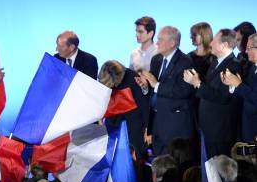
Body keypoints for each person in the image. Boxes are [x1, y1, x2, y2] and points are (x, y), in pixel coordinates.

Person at [136, 26, 195, 155]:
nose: (156, 43)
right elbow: (153, 89)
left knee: (172, 168)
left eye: (160, 40)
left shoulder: (185, 62)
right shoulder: (156, 60)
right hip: (157, 123)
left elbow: (184, 91)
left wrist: (156, 84)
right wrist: (145, 86)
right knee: (158, 165)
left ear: (172, 43)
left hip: (175, 126)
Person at [184, 29, 242, 156]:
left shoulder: (233, 66)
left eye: (214, 41)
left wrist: (197, 83)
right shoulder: (215, 62)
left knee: (219, 172)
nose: (210, 44)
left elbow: (223, 97)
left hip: (220, 131)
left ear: (224, 45)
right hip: (209, 128)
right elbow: (209, 89)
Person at [98, 60, 149, 155]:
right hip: (113, 121)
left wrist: (147, 128)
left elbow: (143, 105)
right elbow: (101, 100)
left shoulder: (133, 78)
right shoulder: (104, 79)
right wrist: (100, 120)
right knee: (112, 152)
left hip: (133, 122)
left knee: (134, 153)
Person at [222, 32, 257, 142]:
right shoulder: (252, 67)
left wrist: (239, 84)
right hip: (248, 126)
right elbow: (247, 93)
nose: (246, 51)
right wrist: (233, 84)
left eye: (249, 48)